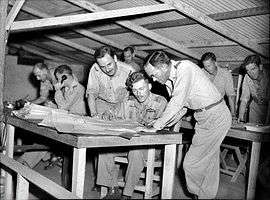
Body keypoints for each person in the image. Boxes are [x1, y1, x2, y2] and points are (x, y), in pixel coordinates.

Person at [141, 51, 232, 199]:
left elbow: (177, 102)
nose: (153, 79)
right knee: (208, 164)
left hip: (216, 115)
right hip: (202, 117)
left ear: (164, 66)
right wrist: (161, 124)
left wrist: (156, 126)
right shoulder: (170, 80)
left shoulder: (185, 68)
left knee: (190, 165)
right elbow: (181, 108)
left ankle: (198, 195)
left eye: (153, 74)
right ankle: (206, 196)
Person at [97, 72, 167, 199]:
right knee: (104, 149)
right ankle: (112, 189)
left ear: (149, 86)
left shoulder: (160, 101)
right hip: (128, 142)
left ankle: (126, 194)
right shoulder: (128, 101)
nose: (138, 93)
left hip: (151, 146)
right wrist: (108, 115)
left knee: (135, 152)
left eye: (141, 89)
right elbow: (114, 114)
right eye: (135, 90)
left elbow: (162, 127)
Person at [86, 46, 134, 117]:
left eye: (109, 64)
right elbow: (91, 93)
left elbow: (136, 94)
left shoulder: (129, 71)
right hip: (102, 103)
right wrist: (94, 114)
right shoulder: (95, 69)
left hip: (121, 105)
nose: (107, 70)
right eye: (102, 67)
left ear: (115, 58)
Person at [200, 52, 236, 118]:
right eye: (205, 67)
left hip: (219, 108)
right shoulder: (201, 72)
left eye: (209, 66)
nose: (207, 69)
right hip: (203, 109)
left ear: (215, 63)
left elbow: (231, 96)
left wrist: (233, 114)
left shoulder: (226, 74)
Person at [238, 54, 270, 124]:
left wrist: (267, 124)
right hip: (255, 107)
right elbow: (244, 98)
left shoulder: (268, 76)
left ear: (260, 66)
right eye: (248, 70)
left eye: (253, 69)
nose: (251, 73)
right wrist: (241, 116)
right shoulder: (247, 77)